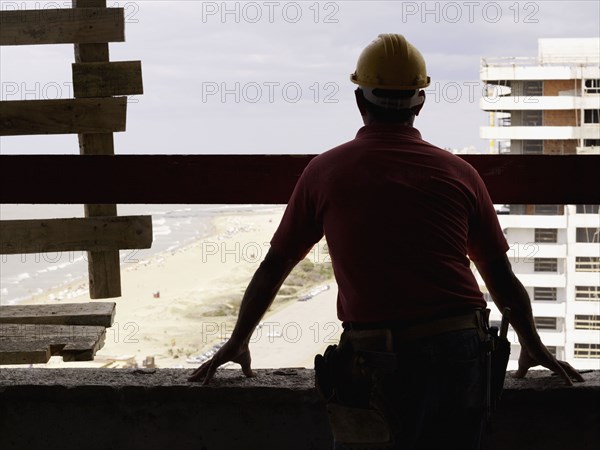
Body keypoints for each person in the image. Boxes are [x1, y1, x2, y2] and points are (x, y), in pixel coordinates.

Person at [188, 34, 583, 448]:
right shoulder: (460, 173)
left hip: (378, 356)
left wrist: (238, 339)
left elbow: (275, 267)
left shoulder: (326, 172)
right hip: (461, 351)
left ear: (361, 102)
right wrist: (531, 342)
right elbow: (499, 277)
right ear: (420, 103)